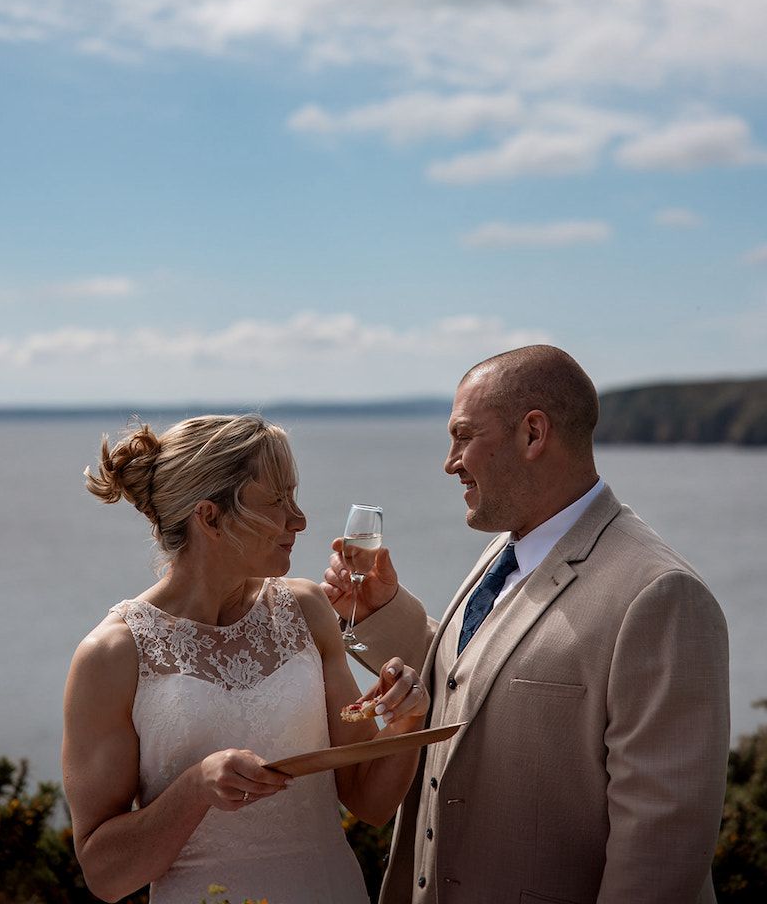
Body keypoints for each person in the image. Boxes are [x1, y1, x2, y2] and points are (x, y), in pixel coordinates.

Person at [323, 346, 730, 904]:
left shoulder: (661, 596)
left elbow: (662, 845)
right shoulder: (507, 549)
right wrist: (383, 611)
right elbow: (479, 680)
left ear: (533, 434)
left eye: (464, 436)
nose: (450, 461)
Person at [62, 413, 430, 904]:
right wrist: (195, 789)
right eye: (278, 501)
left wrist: (407, 720)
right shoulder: (111, 655)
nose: (299, 520)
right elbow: (105, 876)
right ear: (210, 517)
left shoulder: (307, 609)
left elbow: (370, 800)